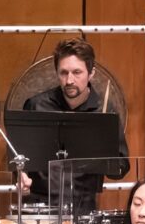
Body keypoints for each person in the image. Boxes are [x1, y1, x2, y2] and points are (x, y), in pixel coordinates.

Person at [15, 38, 128, 213]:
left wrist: (103, 156)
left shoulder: (105, 111)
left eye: (77, 72)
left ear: (91, 73)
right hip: (40, 206)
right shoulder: (36, 106)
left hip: (84, 207)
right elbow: (19, 156)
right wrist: (20, 174)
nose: (69, 80)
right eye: (63, 73)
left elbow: (121, 168)